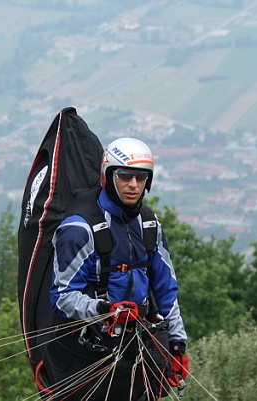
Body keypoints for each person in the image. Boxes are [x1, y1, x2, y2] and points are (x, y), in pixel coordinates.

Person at [45, 137, 189, 400]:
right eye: (124, 176)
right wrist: (104, 310)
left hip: (137, 346)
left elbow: (166, 290)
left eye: (141, 177)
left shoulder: (149, 224)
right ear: (108, 176)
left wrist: (177, 344)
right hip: (88, 351)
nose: (133, 185)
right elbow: (62, 296)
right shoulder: (80, 229)